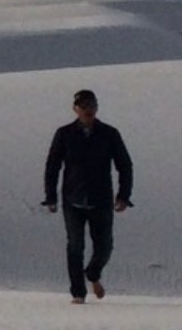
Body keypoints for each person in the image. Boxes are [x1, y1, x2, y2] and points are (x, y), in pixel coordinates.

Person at [41, 88, 133, 303]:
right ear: (75, 109)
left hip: (101, 199)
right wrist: (50, 196)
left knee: (105, 246)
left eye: (91, 106)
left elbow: (125, 165)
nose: (88, 110)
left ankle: (93, 273)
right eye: (83, 106)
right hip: (73, 199)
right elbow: (53, 166)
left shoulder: (109, 133)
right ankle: (78, 293)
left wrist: (123, 195)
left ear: (97, 107)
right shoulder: (64, 134)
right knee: (75, 245)